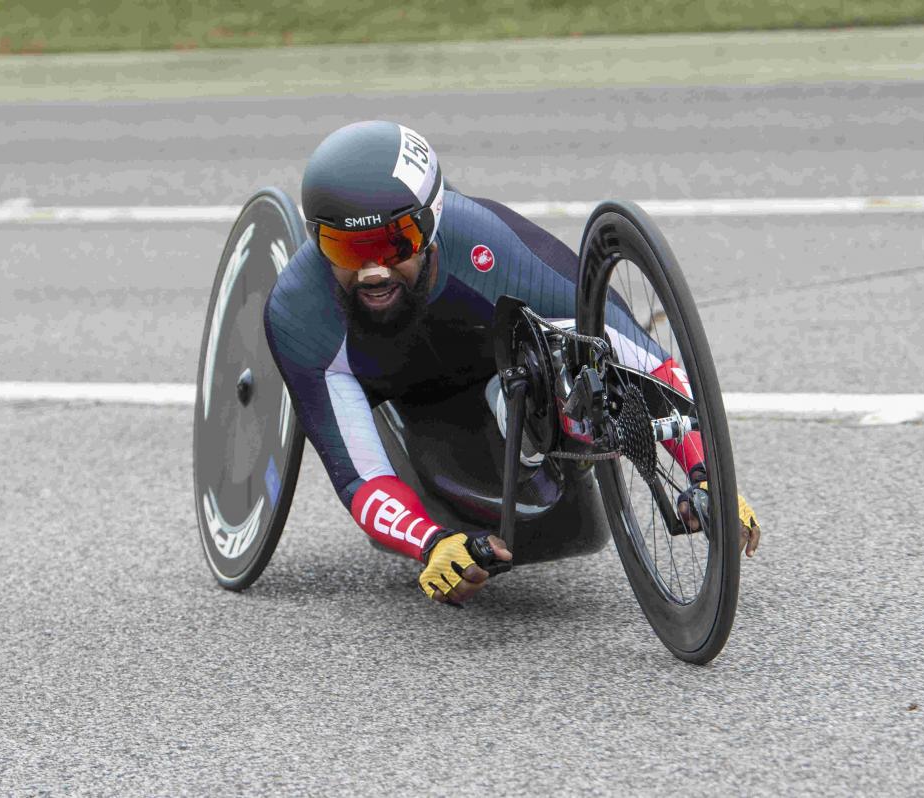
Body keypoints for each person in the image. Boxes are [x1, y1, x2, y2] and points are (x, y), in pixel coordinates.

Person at [264, 120, 760, 606]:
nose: (374, 271)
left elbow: (632, 348)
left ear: (434, 222)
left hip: (500, 371)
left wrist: (707, 473)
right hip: (409, 411)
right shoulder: (298, 315)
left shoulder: (483, 240)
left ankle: (557, 419)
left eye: (395, 244)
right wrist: (430, 542)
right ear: (317, 241)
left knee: (586, 349)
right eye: (348, 249)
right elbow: (362, 477)